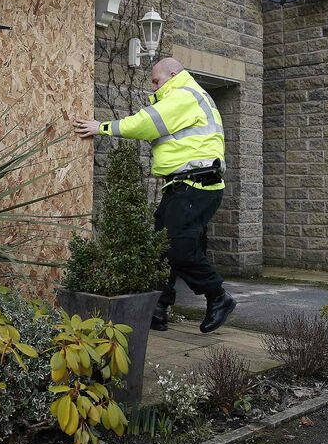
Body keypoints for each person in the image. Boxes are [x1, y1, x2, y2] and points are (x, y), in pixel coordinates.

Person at [73, 57, 236, 334]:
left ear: (173, 74)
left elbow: (146, 123)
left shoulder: (184, 95)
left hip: (195, 186)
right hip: (185, 186)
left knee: (177, 247)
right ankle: (158, 309)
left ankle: (218, 297)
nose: (153, 85)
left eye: (156, 80)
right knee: (161, 249)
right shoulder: (184, 95)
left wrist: (101, 127)